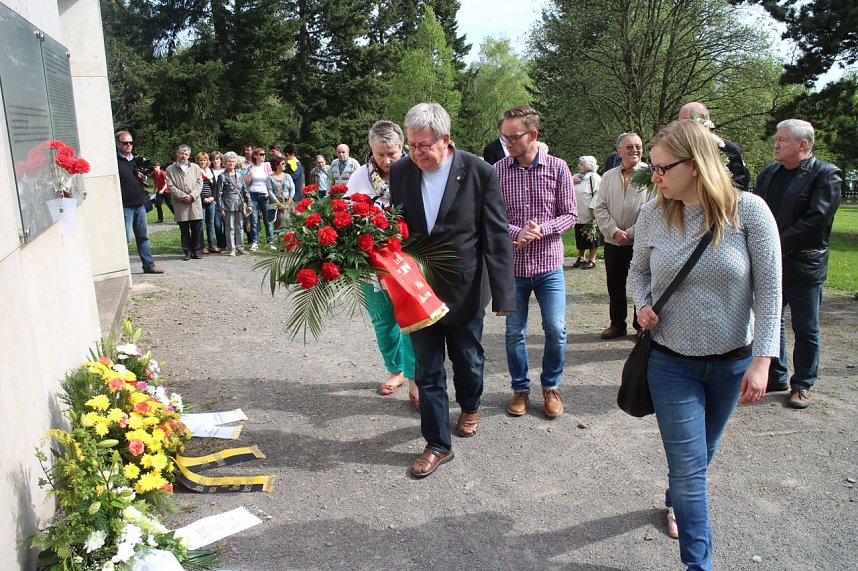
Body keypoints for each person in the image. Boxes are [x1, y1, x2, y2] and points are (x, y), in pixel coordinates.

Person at [630, 119, 782, 571]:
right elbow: (637, 272)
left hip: (732, 362)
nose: (653, 177)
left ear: (695, 165)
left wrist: (763, 360)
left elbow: (770, 290)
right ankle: (700, 564)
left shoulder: (748, 211)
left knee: (701, 455)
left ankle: (676, 494)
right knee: (692, 471)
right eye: (653, 169)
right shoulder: (653, 213)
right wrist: (642, 306)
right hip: (670, 362)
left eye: (661, 168)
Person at [390, 102, 516, 478]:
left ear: (446, 140)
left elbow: (495, 234)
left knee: (468, 360)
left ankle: (471, 404)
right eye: (411, 146)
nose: (416, 154)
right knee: (427, 370)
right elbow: (396, 225)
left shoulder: (478, 171)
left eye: (423, 146)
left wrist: (504, 294)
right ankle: (437, 444)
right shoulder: (401, 172)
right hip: (419, 289)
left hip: (464, 287)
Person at [495, 105, 577, 419]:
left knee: (555, 328)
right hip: (513, 268)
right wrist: (518, 231)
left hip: (549, 266)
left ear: (533, 135)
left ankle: (551, 386)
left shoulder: (558, 168)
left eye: (514, 137)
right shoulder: (498, 171)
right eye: (504, 137)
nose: (508, 143)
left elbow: (570, 214)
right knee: (514, 331)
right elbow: (491, 217)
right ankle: (520, 389)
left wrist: (542, 229)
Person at [754, 119, 842, 409]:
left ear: (803, 144)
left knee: (806, 327)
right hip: (771, 264)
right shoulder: (769, 174)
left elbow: (816, 220)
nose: (775, 145)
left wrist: (774, 243)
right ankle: (776, 375)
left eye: (782, 140)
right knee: (771, 320)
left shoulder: (826, 174)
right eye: (777, 139)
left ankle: (802, 383)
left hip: (804, 265)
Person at [346, 120, 419, 409]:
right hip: (372, 261)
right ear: (370, 151)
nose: (387, 160)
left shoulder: (415, 171)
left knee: (413, 319)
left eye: (392, 153)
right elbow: (349, 215)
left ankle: (415, 378)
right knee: (383, 318)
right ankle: (396, 370)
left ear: (402, 147)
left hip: (408, 259)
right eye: (380, 154)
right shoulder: (359, 177)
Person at [593, 132, 651, 339]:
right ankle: (617, 324)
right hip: (613, 241)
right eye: (629, 147)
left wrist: (632, 233)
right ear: (619, 151)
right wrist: (614, 231)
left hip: (641, 242)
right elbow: (599, 207)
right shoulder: (608, 176)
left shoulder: (650, 175)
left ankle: (641, 325)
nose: (635, 150)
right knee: (615, 285)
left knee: (642, 284)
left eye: (638, 146)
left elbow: (653, 209)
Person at [115, 131, 164, 274]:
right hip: (125, 206)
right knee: (126, 238)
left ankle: (149, 265)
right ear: (118, 144)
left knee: (143, 237)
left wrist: (142, 179)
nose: (128, 145)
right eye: (125, 143)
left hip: (139, 204)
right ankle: (122, 269)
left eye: (130, 142)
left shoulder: (135, 160)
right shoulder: (114, 162)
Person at [678, 102, 751, 191]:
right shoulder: (675, 148)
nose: (683, 127)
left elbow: (739, 187)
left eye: (688, 121)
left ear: (705, 121)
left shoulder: (728, 149)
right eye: (681, 122)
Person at [166, 144, 204, 260]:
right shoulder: (170, 169)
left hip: (194, 202)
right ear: (177, 153)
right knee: (184, 229)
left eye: (186, 154)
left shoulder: (196, 168)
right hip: (180, 203)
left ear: (189, 155)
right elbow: (170, 185)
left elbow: (199, 183)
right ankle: (187, 251)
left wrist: (192, 196)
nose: (184, 156)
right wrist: (182, 196)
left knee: (197, 228)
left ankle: (196, 250)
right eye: (182, 153)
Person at [215, 151, 252, 256]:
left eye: (233, 161)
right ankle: (231, 249)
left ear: (236, 162)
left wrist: (249, 204)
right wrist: (220, 208)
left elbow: (245, 190)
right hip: (228, 204)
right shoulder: (222, 176)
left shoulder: (240, 175)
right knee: (229, 227)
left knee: (240, 226)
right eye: (228, 161)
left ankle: (240, 248)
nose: (231, 163)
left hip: (239, 203)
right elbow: (218, 194)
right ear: (225, 163)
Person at [572, 156, 602, 269]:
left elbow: (599, 193)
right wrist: (572, 181)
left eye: (581, 164)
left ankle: (592, 259)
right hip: (578, 212)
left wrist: (593, 208)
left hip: (590, 212)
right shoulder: (576, 177)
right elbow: (566, 187)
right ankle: (581, 257)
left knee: (592, 236)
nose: (579, 166)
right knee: (579, 235)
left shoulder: (594, 177)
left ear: (589, 165)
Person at [243, 146, 275, 251]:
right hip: (253, 194)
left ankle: (270, 241)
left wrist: (269, 193)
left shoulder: (267, 165)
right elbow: (245, 182)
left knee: (268, 219)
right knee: (254, 219)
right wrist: (250, 175)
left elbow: (271, 179)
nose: (264, 156)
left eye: (264, 154)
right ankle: (254, 241)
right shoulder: (251, 167)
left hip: (265, 195)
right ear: (256, 156)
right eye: (261, 154)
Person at [196, 152, 221, 254]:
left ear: (207, 161)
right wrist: (203, 198)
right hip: (200, 201)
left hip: (211, 200)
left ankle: (212, 245)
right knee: (201, 224)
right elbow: (195, 187)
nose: (203, 162)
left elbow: (215, 186)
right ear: (198, 161)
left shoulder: (209, 172)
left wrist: (212, 197)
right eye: (201, 160)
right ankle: (202, 246)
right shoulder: (196, 171)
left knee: (210, 224)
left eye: (205, 160)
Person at [266, 155, 295, 230]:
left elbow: (292, 188)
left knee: (290, 225)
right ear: (276, 165)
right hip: (277, 205)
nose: (285, 165)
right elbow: (270, 191)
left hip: (288, 203)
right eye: (282, 163)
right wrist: (279, 204)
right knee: (279, 226)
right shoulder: (270, 178)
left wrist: (288, 201)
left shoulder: (288, 176)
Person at [210, 151, 227, 252]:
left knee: (227, 223)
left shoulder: (226, 170)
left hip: (226, 200)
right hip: (215, 201)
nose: (216, 161)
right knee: (217, 224)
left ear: (221, 160)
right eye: (214, 159)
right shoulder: (209, 171)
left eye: (218, 159)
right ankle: (220, 243)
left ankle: (226, 242)